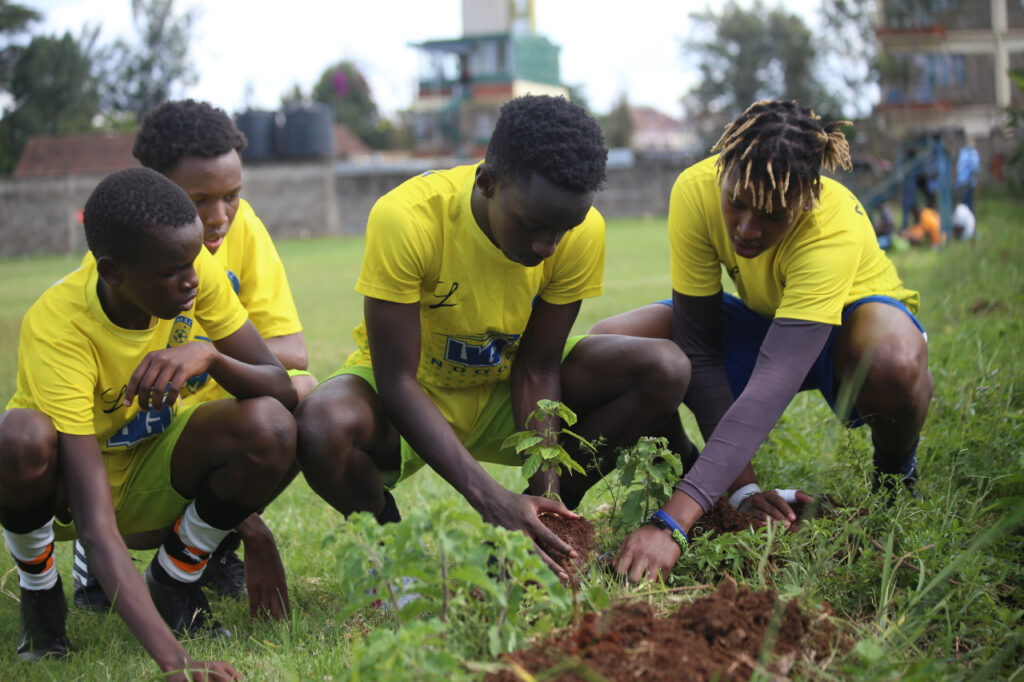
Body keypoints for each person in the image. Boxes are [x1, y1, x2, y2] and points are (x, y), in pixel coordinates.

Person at [295, 95, 689, 578]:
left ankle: (546, 527)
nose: (548, 247)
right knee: (322, 425)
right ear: (487, 183)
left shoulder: (581, 233)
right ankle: (394, 554)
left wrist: (543, 495)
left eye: (564, 229)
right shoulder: (408, 219)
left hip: (507, 385)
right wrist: (488, 498)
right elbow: (396, 381)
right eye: (533, 226)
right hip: (416, 391)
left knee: (665, 369)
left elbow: (537, 366)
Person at [593, 100, 933, 583]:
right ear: (724, 172)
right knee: (612, 344)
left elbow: (772, 382)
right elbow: (700, 348)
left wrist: (672, 523)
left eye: (772, 214)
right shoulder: (696, 189)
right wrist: (740, 492)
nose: (747, 229)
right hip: (766, 321)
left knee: (893, 360)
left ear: (810, 197)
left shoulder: (830, 224)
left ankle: (894, 476)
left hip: (847, 336)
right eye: (736, 203)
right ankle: (699, 472)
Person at [0, 168, 296, 674]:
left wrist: (213, 357)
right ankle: (40, 593)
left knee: (270, 424)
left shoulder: (187, 269)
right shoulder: (58, 325)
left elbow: (282, 388)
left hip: (150, 469)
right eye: (172, 270)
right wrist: (175, 662)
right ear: (113, 272)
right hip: (68, 492)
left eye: (194, 259)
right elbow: (96, 525)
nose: (193, 279)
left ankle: (174, 577)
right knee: (20, 436)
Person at [73, 99, 315, 610]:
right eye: (200, 199)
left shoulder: (242, 227)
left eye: (231, 196)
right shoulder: (124, 255)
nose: (219, 216)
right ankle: (96, 554)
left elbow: (292, 351)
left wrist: (208, 353)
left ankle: (206, 547)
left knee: (300, 398)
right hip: (129, 438)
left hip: (203, 423)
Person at [956, 138, 980, 212]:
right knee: (968, 202)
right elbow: (975, 168)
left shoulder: (963, 152)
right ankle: (968, 218)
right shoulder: (973, 153)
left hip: (961, 181)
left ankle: (963, 218)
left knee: (963, 202)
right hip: (968, 181)